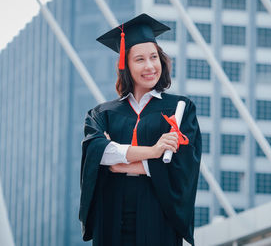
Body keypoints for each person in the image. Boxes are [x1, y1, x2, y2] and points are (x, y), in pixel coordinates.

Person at [79, 13, 202, 246]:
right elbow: (97, 153)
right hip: (111, 217)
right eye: (140, 59)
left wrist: (119, 161)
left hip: (158, 217)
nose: (150, 66)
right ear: (125, 65)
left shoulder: (179, 108)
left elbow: (183, 166)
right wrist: (155, 152)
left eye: (154, 57)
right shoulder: (102, 113)